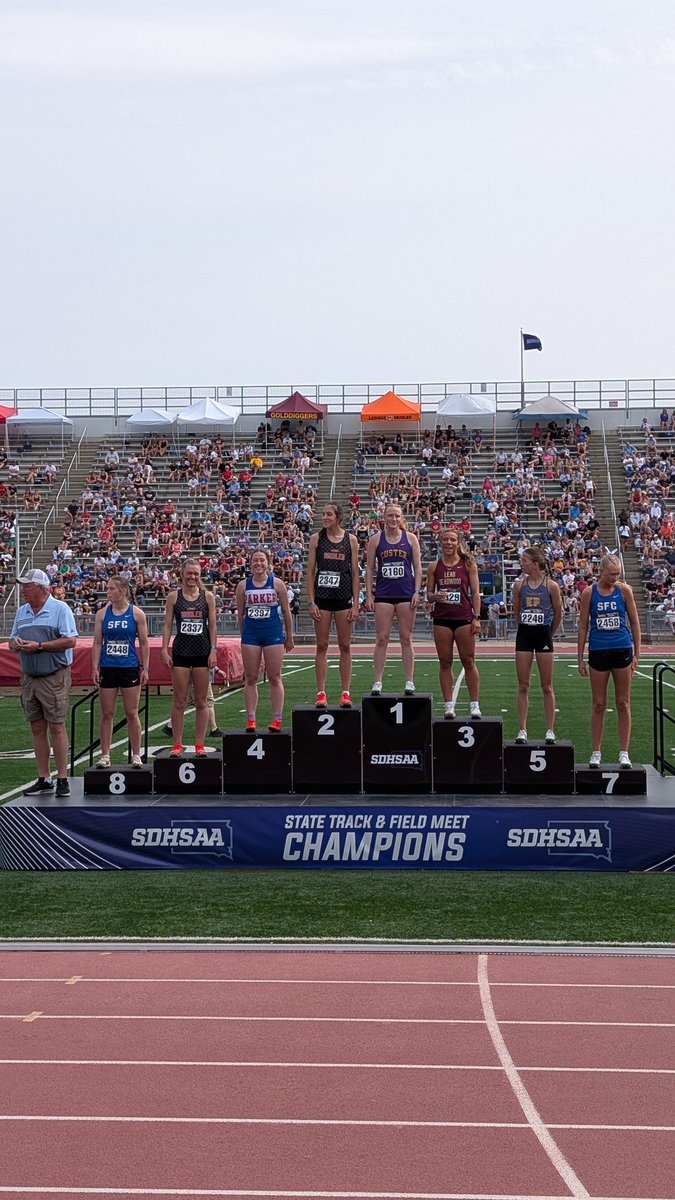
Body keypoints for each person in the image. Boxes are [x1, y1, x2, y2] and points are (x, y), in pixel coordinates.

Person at [8, 568, 78, 797]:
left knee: (57, 726)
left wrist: (39, 646)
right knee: (37, 727)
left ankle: (62, 778)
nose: (23, 590)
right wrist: (17, 644)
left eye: (27, 586)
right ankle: (44, 777)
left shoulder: (60, 609)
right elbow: (10, 642)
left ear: (40, 587)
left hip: (53, 675)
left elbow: (70, 640)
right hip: (30, 676)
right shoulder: (22, 611)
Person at [577, 553, 641, 768]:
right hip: (598, 650)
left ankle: (624, 752)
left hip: (622, 648)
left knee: (623, 703)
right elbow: (583, 625)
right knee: (599, 704)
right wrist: (580, 656)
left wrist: (637, 653)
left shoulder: (624, 591)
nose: (615, 577)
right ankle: (596, 752)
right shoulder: (589, 593)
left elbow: (634, 622)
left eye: (618, 574)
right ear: (601, 571)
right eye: (612, 574)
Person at [161, 560, 218, 758]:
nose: (192, 577)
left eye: (196, 574)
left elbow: (212, 626)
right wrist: (164, 650)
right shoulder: (173, 597)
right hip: (181, 653)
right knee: (179, 701)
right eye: (189, 573)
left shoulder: (207, 597)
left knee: (202, 702)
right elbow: (168, 625)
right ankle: (177, 744)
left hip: (202, 652)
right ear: (182, 574)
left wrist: (213, 650)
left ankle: (200, 744)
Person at [92, 576, 150, 768]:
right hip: (108, 667)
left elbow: (143, 642)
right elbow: (97, 642)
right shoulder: (102, 614)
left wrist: (146, 667)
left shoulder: (137, 614)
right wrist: (95, 666)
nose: (107, 592)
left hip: (129, 667)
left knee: (132, 712)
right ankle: (105, 755)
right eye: (107, 589)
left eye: (111, 589)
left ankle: (136, 754)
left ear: (122, 591)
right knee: (107, 713)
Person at [365, 503, 423, 695]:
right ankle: (377, 681)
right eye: (390, 516)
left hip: (406, 593)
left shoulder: (411, 538)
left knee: (406, 638)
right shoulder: (375, 539)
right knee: (382, 638)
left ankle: (410, 681)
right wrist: (369, 594)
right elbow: (370, 568)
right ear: (384, 517)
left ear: (401, 518)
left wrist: (417, 591)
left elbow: (418, 566)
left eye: (397, 516)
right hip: (383, 594)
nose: (393, 519)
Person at [307, 503, 360, 708]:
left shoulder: (350, 540)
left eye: (329, 514)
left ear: (338, 517)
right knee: (322, 645)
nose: (325, 517)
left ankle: (345, 692)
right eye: (324, 513)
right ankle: (321, 693)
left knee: (345, 645)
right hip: (322, 598)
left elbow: (355, 574)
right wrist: (311, 601)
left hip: (343, 597)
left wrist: (356, 604)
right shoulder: (317, 539)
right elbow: (311, 572)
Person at [236, 547, 294, 732]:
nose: (259, 563)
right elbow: (240, 613)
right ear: (250, 563)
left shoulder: (277, 584)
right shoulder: (243, 586)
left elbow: (286, 612)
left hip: (273, 633)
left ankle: (277, 719)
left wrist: (290, 636)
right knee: (251, 678)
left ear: (268, 563)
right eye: (255, 560)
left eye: (262, 560)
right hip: (251, 634)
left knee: (275, 677)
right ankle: (251, 719)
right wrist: (244, 634)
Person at [426, 528, 482, 719]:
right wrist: (434, 596)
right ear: (441, 542)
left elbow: (475, 593)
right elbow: (429, 595)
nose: (448, 543)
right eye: (445, 540)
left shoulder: (468, 564)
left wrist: (477, 617)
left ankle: (474, 704)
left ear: (458, 542)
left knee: (469, 660)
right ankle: (449, 704)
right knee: (445, 662)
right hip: (442, 618)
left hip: (464, 618)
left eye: (452, 540)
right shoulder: (434, 566)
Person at [513, 545, 563, 745]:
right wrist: (525, 626)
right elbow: (516, 611)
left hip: (543, 634)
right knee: (523, 685)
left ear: (534, 563)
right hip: (524, 634)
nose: (521, 563)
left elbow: (558, 612)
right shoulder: (519, 585)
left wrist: (549, 631)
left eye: (524, 560)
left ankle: (550, 730)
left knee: (547, 685)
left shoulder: (551, 585)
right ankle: (522, 729)